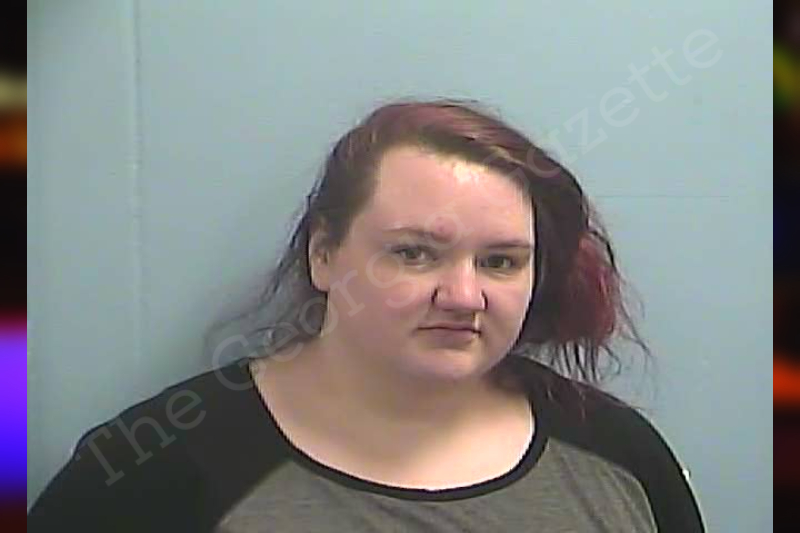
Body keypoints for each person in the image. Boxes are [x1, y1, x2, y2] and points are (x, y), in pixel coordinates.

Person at [27, 98, 705, 532]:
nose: (463, 295)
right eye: (414, 253)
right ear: (324, 255)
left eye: (500, 261)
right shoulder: (157, 462)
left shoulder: (616, 456)